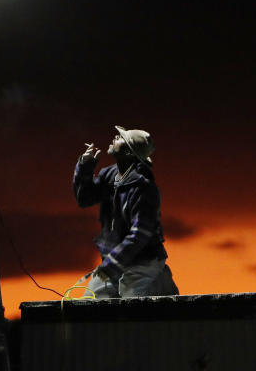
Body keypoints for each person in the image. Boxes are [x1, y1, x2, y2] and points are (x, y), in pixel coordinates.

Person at [73, 125, 179, 298]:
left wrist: (111, 265)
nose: (115, 137)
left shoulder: (144, 189)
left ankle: (160, 281)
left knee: (132, 300)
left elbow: (140, 234)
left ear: (129, 153)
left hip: (143, 260)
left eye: (122, 138)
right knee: (92, 299)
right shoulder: (109, 175)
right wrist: (85, 166)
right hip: (114, 259)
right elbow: (84, 198)